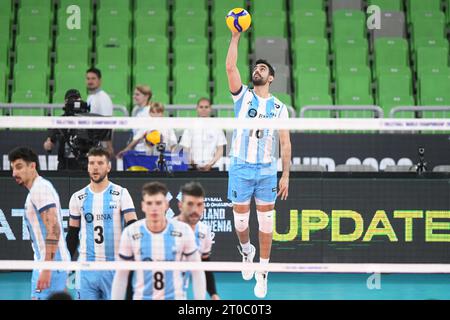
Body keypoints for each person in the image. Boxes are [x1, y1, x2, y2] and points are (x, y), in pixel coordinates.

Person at [225, 31, 292, 298]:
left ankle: (263, 273)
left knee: (266, 223)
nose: (257, 70)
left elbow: (285, 143)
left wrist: (285, 174)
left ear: (271, 77)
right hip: (241, 167)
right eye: (255, 67)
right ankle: (246, 251)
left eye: (262, 68)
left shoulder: (279, 108)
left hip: (266, 170)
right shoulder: (242, 97)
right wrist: (235, 37)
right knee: (241, 222)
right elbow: (230, 66)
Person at [111, 182, 206, 300]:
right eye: (149, 203)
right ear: (143, 206)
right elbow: (121, 275)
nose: (154, 208)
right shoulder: (130, 233)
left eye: (158, 203)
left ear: (166, 205)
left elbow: (197, 272)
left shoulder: (183, 231)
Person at [66, 146, 138, 300]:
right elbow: (72, 234)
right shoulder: (77, 197)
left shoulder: (121, 193)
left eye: (100, 163)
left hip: (114, 267)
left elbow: (133, 228)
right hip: (86, 268)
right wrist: (64, 264)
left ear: (109, 166)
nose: (95, 167)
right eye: (91, 163)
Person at [8, 146, 70, 300]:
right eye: (13, 169)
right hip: (47, 264)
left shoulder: (40, 189)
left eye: (19, 167)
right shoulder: (37, 190)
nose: (14, 173)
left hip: (51, 265)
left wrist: (47, 268)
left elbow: (54, 229)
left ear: (33, 166)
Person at [175, 182, 220, 300]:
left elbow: (204, 264)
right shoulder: (167, 229)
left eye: (199, 204)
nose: (195, 210)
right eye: (190, 204)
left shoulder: (204, 231)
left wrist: (213, 294)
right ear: (180, 205)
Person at [179, 98, 227, 171]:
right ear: (197, 108)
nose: (203, 109)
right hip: (193, 168)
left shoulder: (217, 126)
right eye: (201, 107)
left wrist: (210, 164)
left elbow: (220, 149)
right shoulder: (190, 126)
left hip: (213, 167)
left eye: (206, 107)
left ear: (210, 108)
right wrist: (193, 163)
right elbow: (185, 148)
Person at [43, 89, 85, 170]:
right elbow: (49, 143)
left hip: (83, 164)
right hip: (64, 163)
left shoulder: (87, 120)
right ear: (65, 102)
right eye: (71, 100)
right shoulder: (60, 120)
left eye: (76, 100)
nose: (73, 103)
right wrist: (48, 144)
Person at [86, 67, 114, 155]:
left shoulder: (103, 98)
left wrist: (108, 146)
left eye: (93, 78)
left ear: (100, 80)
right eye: (88, 78)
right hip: (91, 142)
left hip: (101, 144)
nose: (90, 81)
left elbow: (107, 122)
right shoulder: (90, 97)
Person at [130, 85, 153, 153]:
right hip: (136, 149)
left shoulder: (150, 111)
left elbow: (141, 134)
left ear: (146, 96)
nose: (134, 97)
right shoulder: (135, 110)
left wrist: (128, 148)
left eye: (137, 95)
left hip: (147, 151)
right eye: (134, 94)